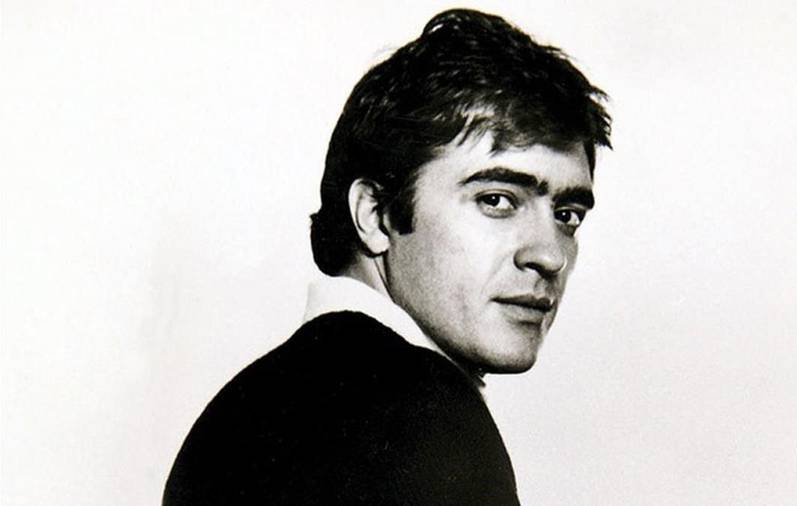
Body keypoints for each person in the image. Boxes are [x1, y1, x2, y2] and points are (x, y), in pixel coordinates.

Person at [163, 8, 611, 505]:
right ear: (375, 215)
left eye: (567, 215)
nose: (550, 254)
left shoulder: (240, 411)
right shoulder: (427, 415)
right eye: (496, 200)